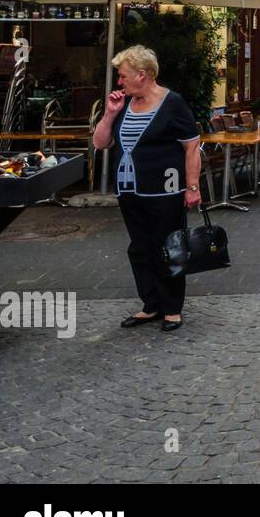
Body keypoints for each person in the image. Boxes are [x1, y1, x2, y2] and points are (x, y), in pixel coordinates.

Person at [92, 46, 201, 333]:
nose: (119, 82)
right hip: (130, 191)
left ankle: (172, 308)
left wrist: (192, 187)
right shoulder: (123, 104)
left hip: (165, 191)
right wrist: (109, 115)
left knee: (168, 248)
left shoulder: (172, 103)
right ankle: (150, 304)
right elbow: (100, 143)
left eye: (123, 75)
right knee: (139, 249)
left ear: (142, 75)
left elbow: (191, 147)